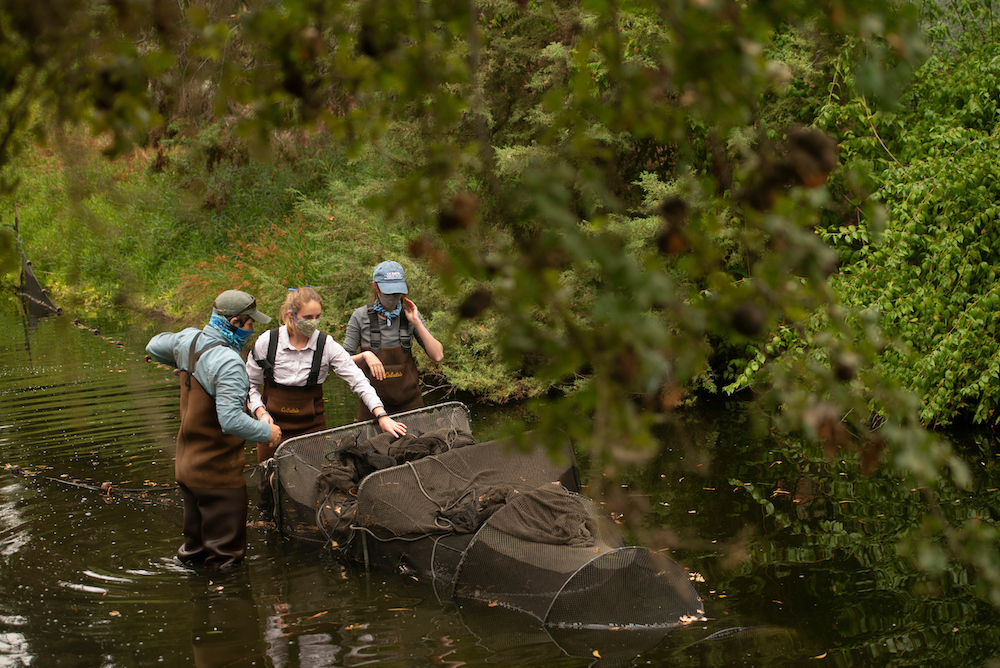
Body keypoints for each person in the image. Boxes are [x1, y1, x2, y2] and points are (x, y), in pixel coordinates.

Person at [146, 289, 281, 570]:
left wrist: (185, 362)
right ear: (235, 323)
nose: (252, 330)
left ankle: (199, 603)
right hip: (217, 478)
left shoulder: (188, 339)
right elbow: (230, 421)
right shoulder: (229, 363)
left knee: (194, 553)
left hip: (187, 469)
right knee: (226, 561)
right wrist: (268, 433)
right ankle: (227, 606)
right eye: (250, 324)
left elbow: (153, 346)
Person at [246, 286, 407, 465]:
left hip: (312, 430)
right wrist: (261, 413)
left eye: (317, 317)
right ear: (291, 315)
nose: (313, 322)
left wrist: (381, 415)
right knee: (269, 481)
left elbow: (358, 380)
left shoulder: (326, 345)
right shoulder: (267, 342)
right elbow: (249, 385)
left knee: (310, 481)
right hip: (270, 427)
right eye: (308, 318)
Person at [343, 261, 444, 420]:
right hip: (373, 408)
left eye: (396, 292)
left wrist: (416, 321)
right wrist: (366, 355)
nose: (392, 297)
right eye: (387, 292)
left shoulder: (411, 314)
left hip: (411, 405)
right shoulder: (359, 316)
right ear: (375, 287)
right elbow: (342, 362)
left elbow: (437, 355)